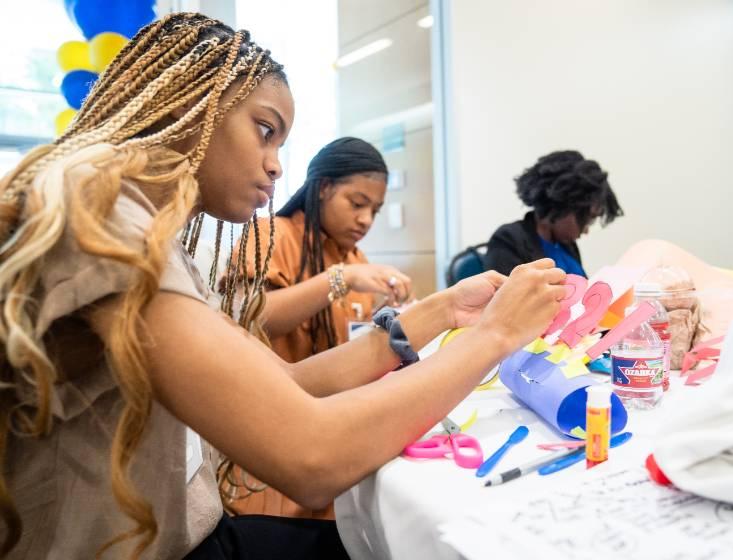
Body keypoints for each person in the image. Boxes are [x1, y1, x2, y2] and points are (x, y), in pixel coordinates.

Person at [0, 13, 565, 560]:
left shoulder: (156, 235)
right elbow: (312, 456)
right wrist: (493, 335)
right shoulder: (97, 208)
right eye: (265, 131)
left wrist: (444, 310)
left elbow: (290, 381)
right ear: (192, 103)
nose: (274, 166)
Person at [221, 137, 413, 520]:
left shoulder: (355, 257)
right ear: (323, 187)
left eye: (374, 210)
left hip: (333, 437)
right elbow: (246, 320)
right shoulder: (269, 234)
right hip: (267, 448)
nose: (366, 220)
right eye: (357, 204)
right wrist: (338, 279)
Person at [484, 150, 623, 277]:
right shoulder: (508, 240)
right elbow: (507, 301)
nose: (586, 230)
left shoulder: (567, 246)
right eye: (586, 219)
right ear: (563, 205)